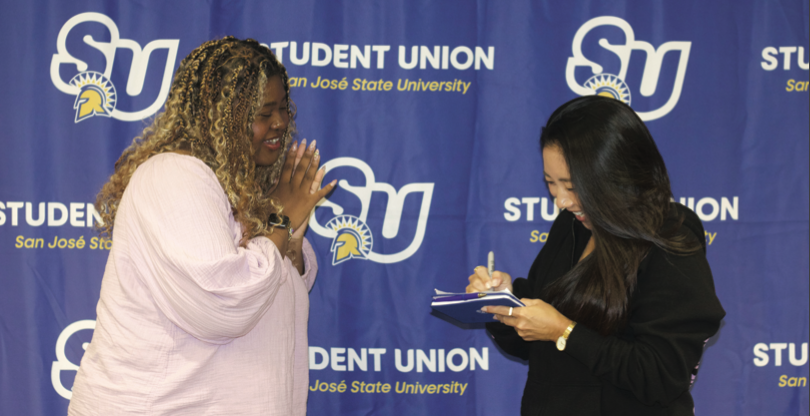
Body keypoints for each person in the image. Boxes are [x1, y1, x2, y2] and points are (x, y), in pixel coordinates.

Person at [68, 37, 335, 415]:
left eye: (283, 109)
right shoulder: (173, 176)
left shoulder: (242, 188)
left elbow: (274, 284)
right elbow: (222, 304)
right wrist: (281, 218)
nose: (279, 123)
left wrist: (287, 230)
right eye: (263, 112)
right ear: (224, 116)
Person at [467, 96, 725, 416]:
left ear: (617, 174)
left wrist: (564, 331)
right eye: (551, 183)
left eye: (572, 187)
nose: (561, 201)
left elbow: (662, 376)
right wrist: (503, 304)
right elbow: (533, 345)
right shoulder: (571, 225)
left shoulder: (668, 239)